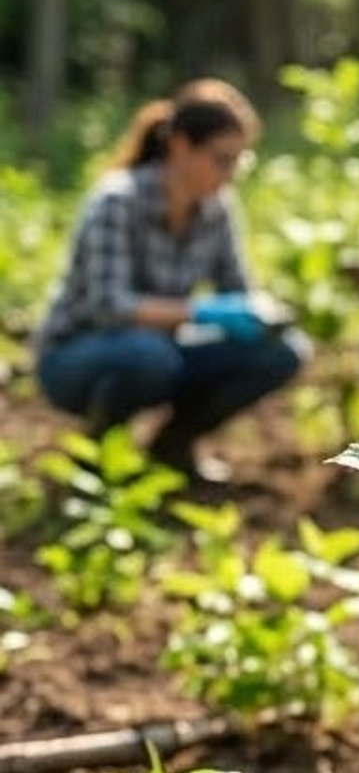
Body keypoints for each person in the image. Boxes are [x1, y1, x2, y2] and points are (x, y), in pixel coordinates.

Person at [33, 79, 303, 490]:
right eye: (221, 160)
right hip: (76, 356)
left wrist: (261, 315)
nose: (230, 174)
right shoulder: (117, 201)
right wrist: (200, 312)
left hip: (161, 350)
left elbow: (238, 289)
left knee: (281, 352)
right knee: (149, 354)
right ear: (180, 146)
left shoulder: (217, 210)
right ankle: (98, 457)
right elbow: (109, 306)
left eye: (238, 162)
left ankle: (173, 446)